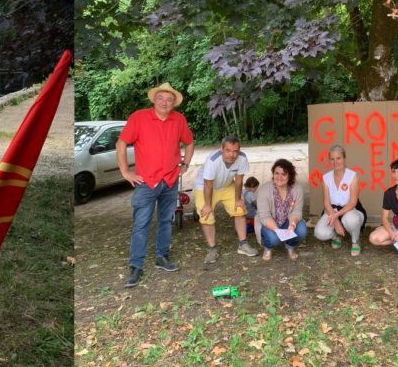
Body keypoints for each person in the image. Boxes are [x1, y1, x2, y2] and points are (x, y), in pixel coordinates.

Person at [117, 83, 195, 288]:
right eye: (161, 98)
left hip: (169, 180)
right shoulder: (139, 117)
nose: (165, 102)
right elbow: (121, 143)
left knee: (165, 221)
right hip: (146, 182)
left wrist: (185, 164)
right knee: (141, 224)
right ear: (154, 100)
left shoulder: (178, 119)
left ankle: (162, 257)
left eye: (169, 99)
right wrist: (126, 172)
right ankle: (136, 266)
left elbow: (189, 141)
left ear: (173, 103)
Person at [195, 135, 258, 264]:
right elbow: (208, 184)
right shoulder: (212, 161)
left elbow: (239, 180)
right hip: (205, 187)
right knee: (206, 216)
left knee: (240, 209)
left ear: (239, 150)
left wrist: (238, 199)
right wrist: (208, 205)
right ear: (221, 149)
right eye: (228, 150)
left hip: (226, 185)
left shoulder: (242, 158)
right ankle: (212, 248)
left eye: (235, 151)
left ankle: (243, 244)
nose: (232, 155)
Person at [313, 144, 367, 257]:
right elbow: (326, 203)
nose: (335, 161)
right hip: (331, 210)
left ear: (344, 159)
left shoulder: (353, 176)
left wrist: (336, 216)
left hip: (351, 210)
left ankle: (355, 241)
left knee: (351, 220)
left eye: (338, 158)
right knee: (319, 233)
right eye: (332, 159)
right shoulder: (326, 178)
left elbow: (352, 203)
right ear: (329, 161)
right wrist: (336, 222)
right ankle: (336, 236)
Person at [254, 158, 308, 260]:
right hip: (269, 222)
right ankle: (268, 248)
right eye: (276, 173)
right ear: (273, 174)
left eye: (284, 174)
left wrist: (292, 224)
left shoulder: (298, 189)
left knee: (302, 230)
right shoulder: (264, 190)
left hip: (287, 221)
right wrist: (278, 231)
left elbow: (297, 211)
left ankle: (290, 246)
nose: (279, 177)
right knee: (274, 239)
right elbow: (264, 216)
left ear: (290, 176)